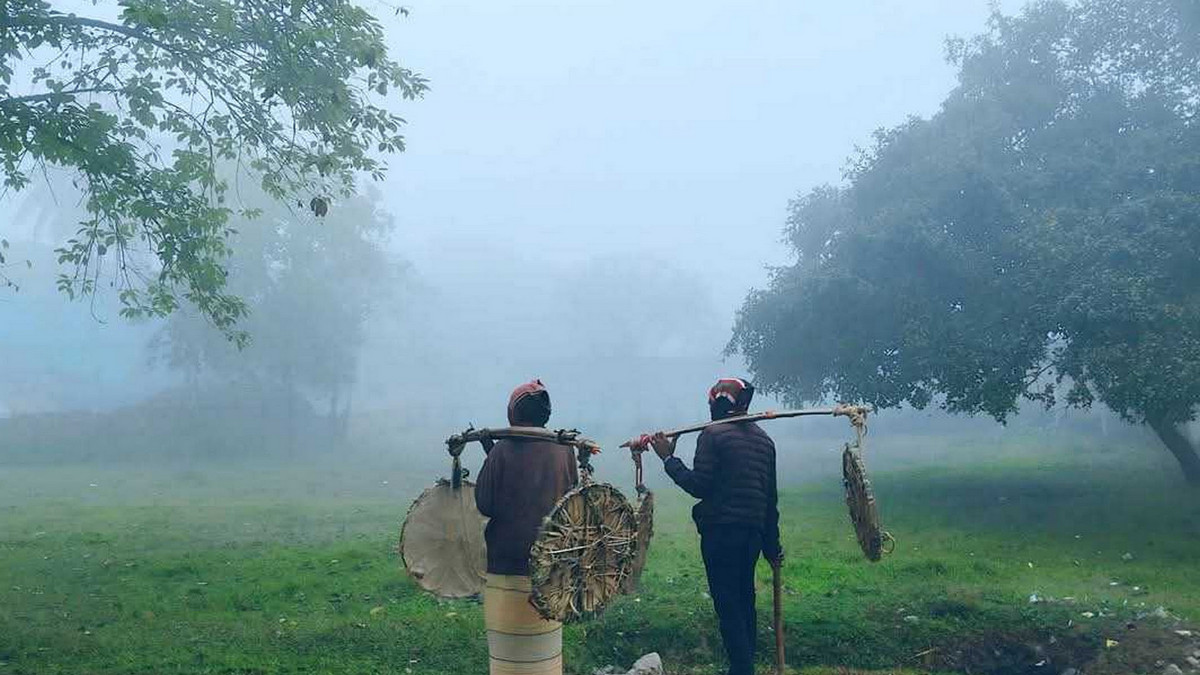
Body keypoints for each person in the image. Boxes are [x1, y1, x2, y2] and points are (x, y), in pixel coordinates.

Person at [647, 377, 783, 675]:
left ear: (717, 402)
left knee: (728, 604)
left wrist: (668, 458)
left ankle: (742, 668)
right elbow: (770, 501)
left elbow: (699, 486)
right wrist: (773, 547)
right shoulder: (764, 441)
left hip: (721, 532)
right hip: (753, 536)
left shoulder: (713, 434)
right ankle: (743, 665)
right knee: (744, 598)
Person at [475, 379, 578, 675]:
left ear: (513, 414)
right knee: (542, 656)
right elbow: (572, 499)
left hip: (507, 565)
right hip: (552, 567)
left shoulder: (502, 451)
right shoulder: (564, 450)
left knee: (510, 657)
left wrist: (492, 457)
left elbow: (485, 503)